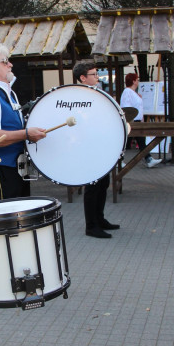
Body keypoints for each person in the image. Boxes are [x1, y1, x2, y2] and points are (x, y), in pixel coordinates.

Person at [0, 44, 46, 201]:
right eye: (4, 62)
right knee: (6, 220)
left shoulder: (7, 94)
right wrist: (26, 134)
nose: (10, 65)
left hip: (13, 167)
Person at [73, 60, 120, 239]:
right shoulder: (77, 96)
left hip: (100, 145)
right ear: (83, 78)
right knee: (92, 187)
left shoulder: (97, 93)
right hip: (87, 147)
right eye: (93, 74)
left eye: (96, 73)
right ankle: (91, 226)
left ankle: (100, 219)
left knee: (103, 184)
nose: (97, 77)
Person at [120, 73, 162, 168]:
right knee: (127, 142)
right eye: (137, 79)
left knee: (139, 141)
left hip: (136, 120)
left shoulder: (132, 92)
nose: (138, 81)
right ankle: (146, 159)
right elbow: (127, 107)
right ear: (133, 81)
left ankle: (148, 159)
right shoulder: (128, 92)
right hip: (133, 121)